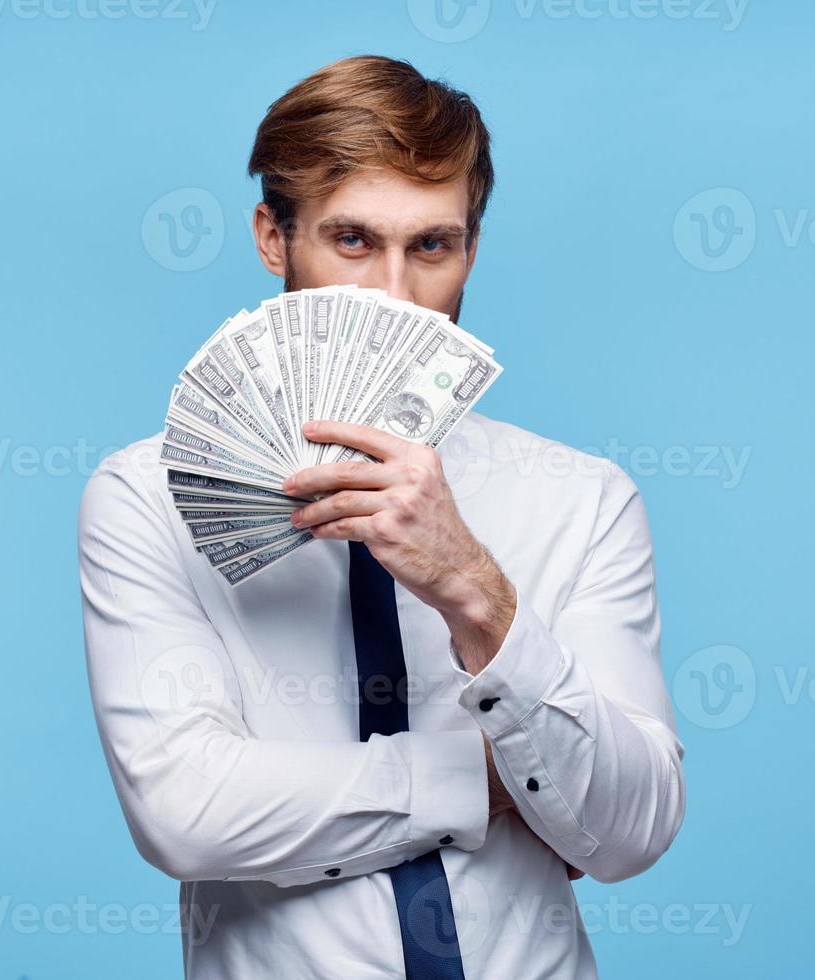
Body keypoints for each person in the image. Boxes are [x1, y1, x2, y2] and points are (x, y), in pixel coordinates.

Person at [78, 55, 686, 980]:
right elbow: (185, 811)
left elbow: (632, 830)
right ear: (273, 240)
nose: (394, 296)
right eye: (353, 241)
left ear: (471, 251)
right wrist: (484, 781)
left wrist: (477, 593)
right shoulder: (145, 500)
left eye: (432, 247)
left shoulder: (581, 498)